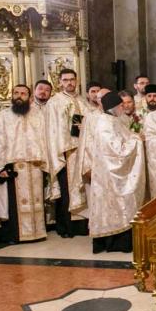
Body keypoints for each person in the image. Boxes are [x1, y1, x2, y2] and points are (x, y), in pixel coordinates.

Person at [0, 83, 51, 243]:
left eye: (23, 93)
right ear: (12, 95)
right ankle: (17, 235)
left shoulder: (39, 115)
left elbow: (46, 139)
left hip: (35, 165)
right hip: (14, 165)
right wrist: (1, 166)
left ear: (29, 98)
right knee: (15, 203)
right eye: (16, 93)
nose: (19, 96)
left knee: (37, 201)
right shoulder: (4, 115)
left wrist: (46, 161)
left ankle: (38, 233)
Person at [83, 91, 146, 253]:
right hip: (110, 176)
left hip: (111, 174)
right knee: (119, 203)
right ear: (113, 107)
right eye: (120, 105)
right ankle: (116, 242)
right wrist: (137, 139)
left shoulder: (113, 120)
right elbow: (117, 150)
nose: (123, 107)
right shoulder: (105, 124)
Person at [44, 68, 89, 238]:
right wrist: (60, 150)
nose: (69, 83)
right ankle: (66, 227)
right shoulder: (54, 102)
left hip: (82, 152)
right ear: (60, 82)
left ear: (76, 81)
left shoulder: (83, 102)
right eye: (65, 80)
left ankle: (81, 225)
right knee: (66, 190)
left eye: (72, 79)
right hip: (65, 152)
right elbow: (52, 129)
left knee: (82, 188)